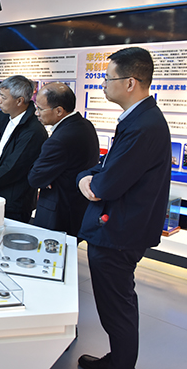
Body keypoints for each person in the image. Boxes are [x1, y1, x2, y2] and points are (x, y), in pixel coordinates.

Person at [76, 47, 171, 369]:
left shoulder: (144, 126)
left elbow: (105, 185)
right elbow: (105, 169)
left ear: (130, 82)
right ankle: (117, 359)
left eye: (107, 78)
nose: (103, 84)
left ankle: (120, 364)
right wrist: (87, 177)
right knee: (116, 306)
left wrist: (88, 181)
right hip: (119, 228)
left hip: (118, 233)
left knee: (117, 309)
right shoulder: (139, 119)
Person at [27, 82, 99, 237]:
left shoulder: (59, 139)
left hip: (58, 215)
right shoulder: (85, 125)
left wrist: (48, 177)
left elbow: (35, 178)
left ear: (59, 111)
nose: (36, 113)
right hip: (77, 208)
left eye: (40, 109)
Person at [0, 75, 48, 223]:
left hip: (14, 202)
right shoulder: (7, 118)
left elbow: (13, 167)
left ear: (19, 101)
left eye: (4, 98)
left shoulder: (33, 130)